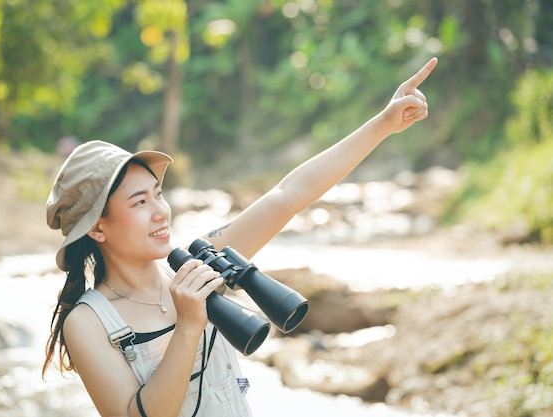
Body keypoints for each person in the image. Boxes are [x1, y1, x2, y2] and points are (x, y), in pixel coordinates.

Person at [43, 57, 438, 417]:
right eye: (139, 202)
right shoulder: (88, 322)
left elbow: (289, 195)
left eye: (158, 194)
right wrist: (188, 325)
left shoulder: (201, 265)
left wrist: (384, 124)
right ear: (97, 227)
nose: (161, 211)